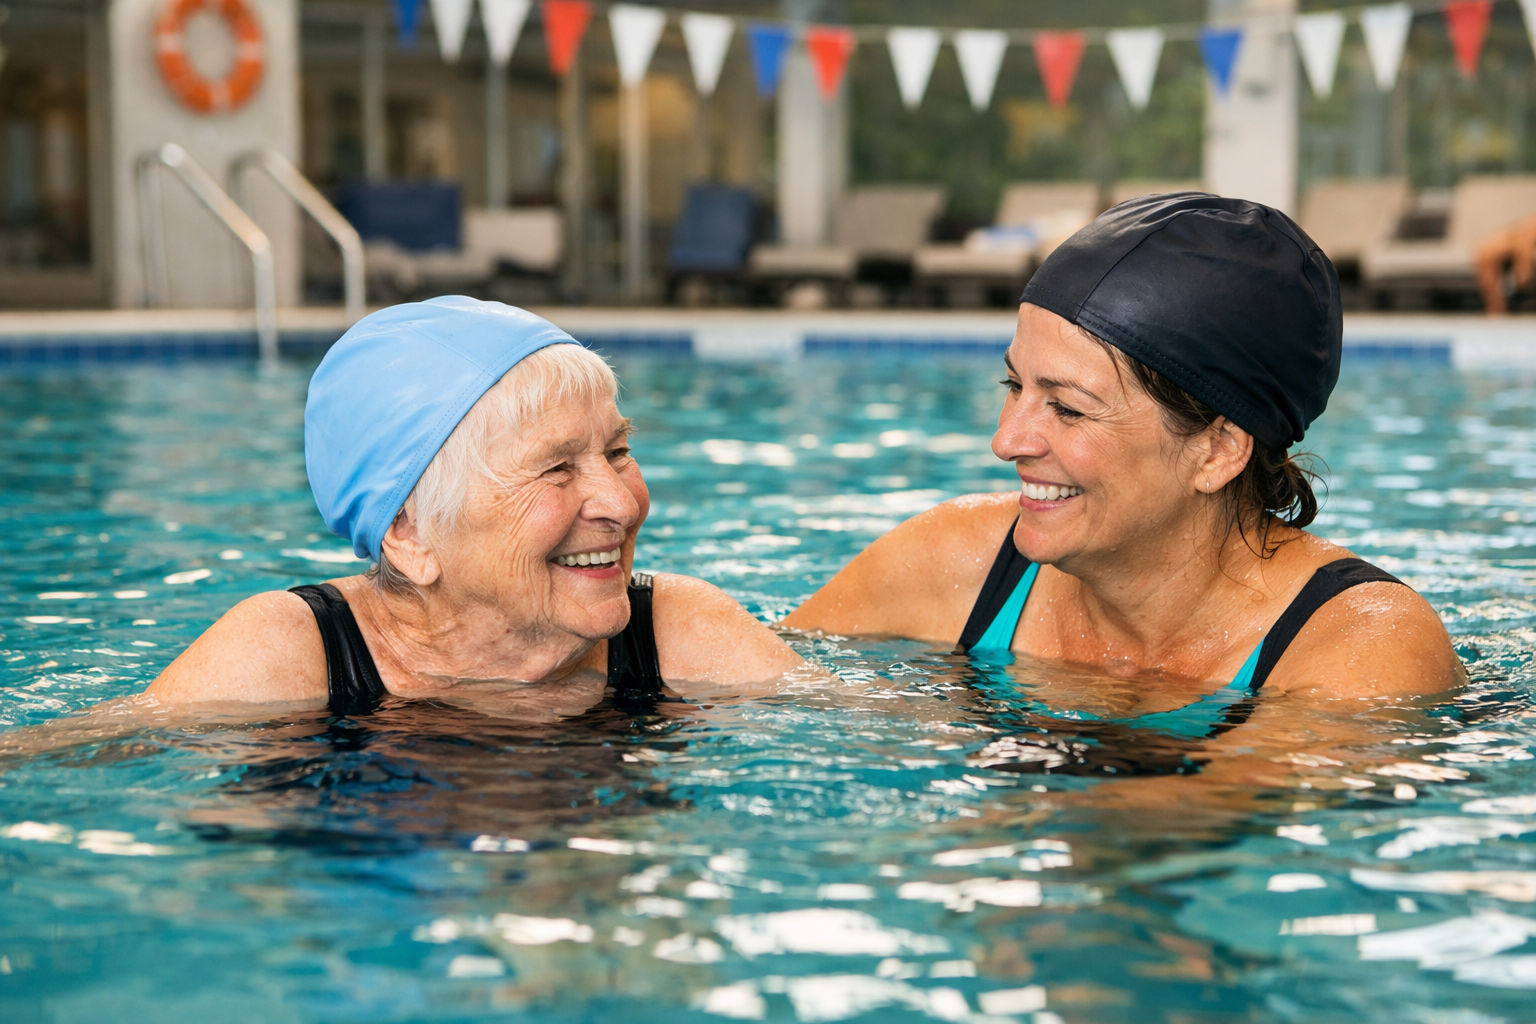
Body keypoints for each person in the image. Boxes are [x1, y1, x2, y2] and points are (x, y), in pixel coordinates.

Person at [783, 193, 1465, 720]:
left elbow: (1180, 845)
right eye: (1015, 386)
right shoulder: (957, 563)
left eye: (1069, 407)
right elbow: (752, 687)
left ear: (1218, 451)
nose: (1007, 441)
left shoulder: (1363, 649)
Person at [147, 296, 806, 718]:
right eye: (556, 468)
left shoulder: (675, 631)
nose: (619, 502)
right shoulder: (287, 657)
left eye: (617, 451)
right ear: (409, 533)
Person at [1473, 214, 1536, 314]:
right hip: (1491, 256)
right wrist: (1523, 269)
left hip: (1505, 255)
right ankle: (1496, 311)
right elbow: (1524, 247)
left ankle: (1497, 310)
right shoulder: (1530, 228)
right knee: (1495, 302)